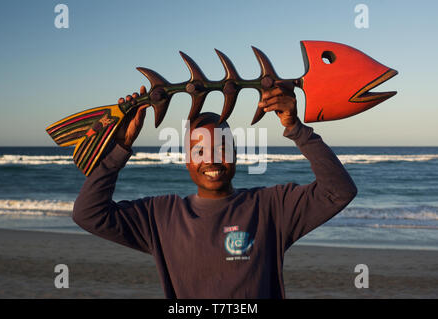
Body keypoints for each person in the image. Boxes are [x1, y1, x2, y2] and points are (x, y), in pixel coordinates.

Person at [72, 83, 357, 298]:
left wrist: (296, 128)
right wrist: (120, 147)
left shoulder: (271, 207)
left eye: (222, 147)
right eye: (200, 150)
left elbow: (339, 191)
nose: (212, 158)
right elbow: (88, 214)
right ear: (186, 161)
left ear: (235, 155)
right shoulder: (159, 216)